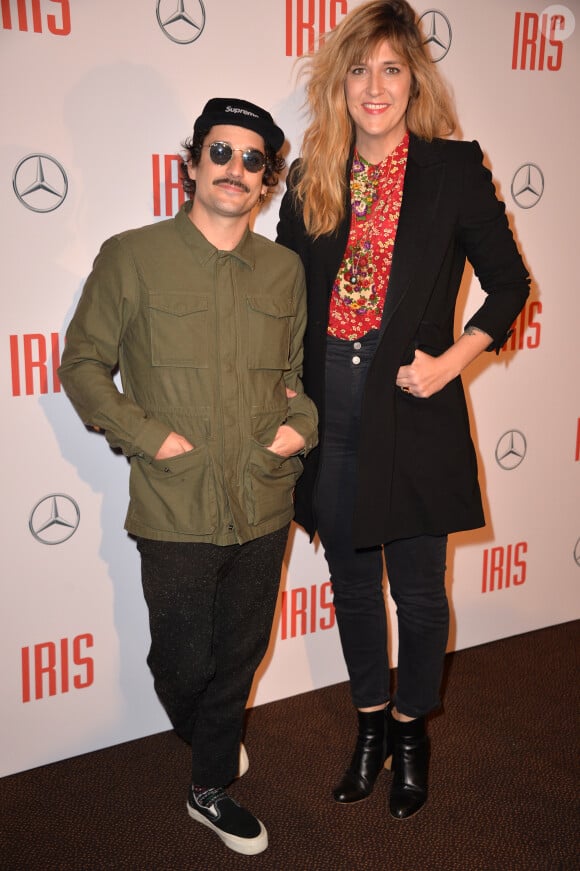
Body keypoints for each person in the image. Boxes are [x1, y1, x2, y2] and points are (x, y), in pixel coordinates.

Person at [276, 0, 530, 821]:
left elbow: (511, 285)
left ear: (413, 78)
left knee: (419, 596)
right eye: (359, 69)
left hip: (414, 414)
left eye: (391, 68)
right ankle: (370, 726)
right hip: (333, 418)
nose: (374, 86)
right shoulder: (310, 175)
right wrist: (281, 384)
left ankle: (413, 730)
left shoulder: (454, 169)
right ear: (338, 82)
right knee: (353, 590)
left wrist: (453, 362)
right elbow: (281, 297)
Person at [58, 97, 317, 856]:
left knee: (240, 651)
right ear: (192, 162)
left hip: (265, 499)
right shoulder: (131, 255)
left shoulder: (284, 269)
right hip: (176, 504)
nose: (236, 169)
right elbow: (82, 366)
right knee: (182, 657)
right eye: (221, 152)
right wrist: (150, 437)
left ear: (267, 178)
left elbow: (296, 379)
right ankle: (208, 730)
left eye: (252, 158)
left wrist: (297, 429)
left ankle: (208, 785)